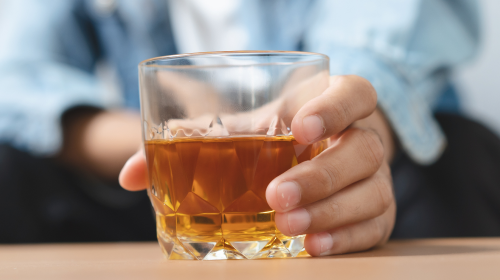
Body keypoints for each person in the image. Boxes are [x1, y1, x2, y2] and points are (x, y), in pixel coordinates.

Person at [2, 0, 500, 256]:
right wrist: (161, 139)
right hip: (164, 194)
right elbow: (16, 68)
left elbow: (384, 31)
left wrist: (350, 121)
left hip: (361, 170)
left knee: (457, 156)